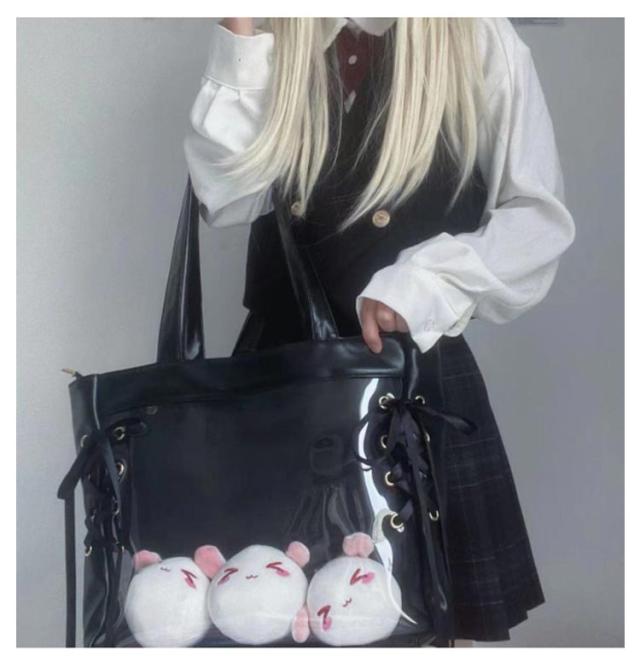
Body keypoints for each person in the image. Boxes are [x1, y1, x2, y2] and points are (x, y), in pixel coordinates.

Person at [183, 17, 576, 645]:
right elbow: (228, 197)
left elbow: (537, 218)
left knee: (420, 624)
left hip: (410, 382)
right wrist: (241, 34)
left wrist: (421, 283)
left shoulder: (472, 32)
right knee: (264, 622)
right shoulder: (281, 32)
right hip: (282, 376)